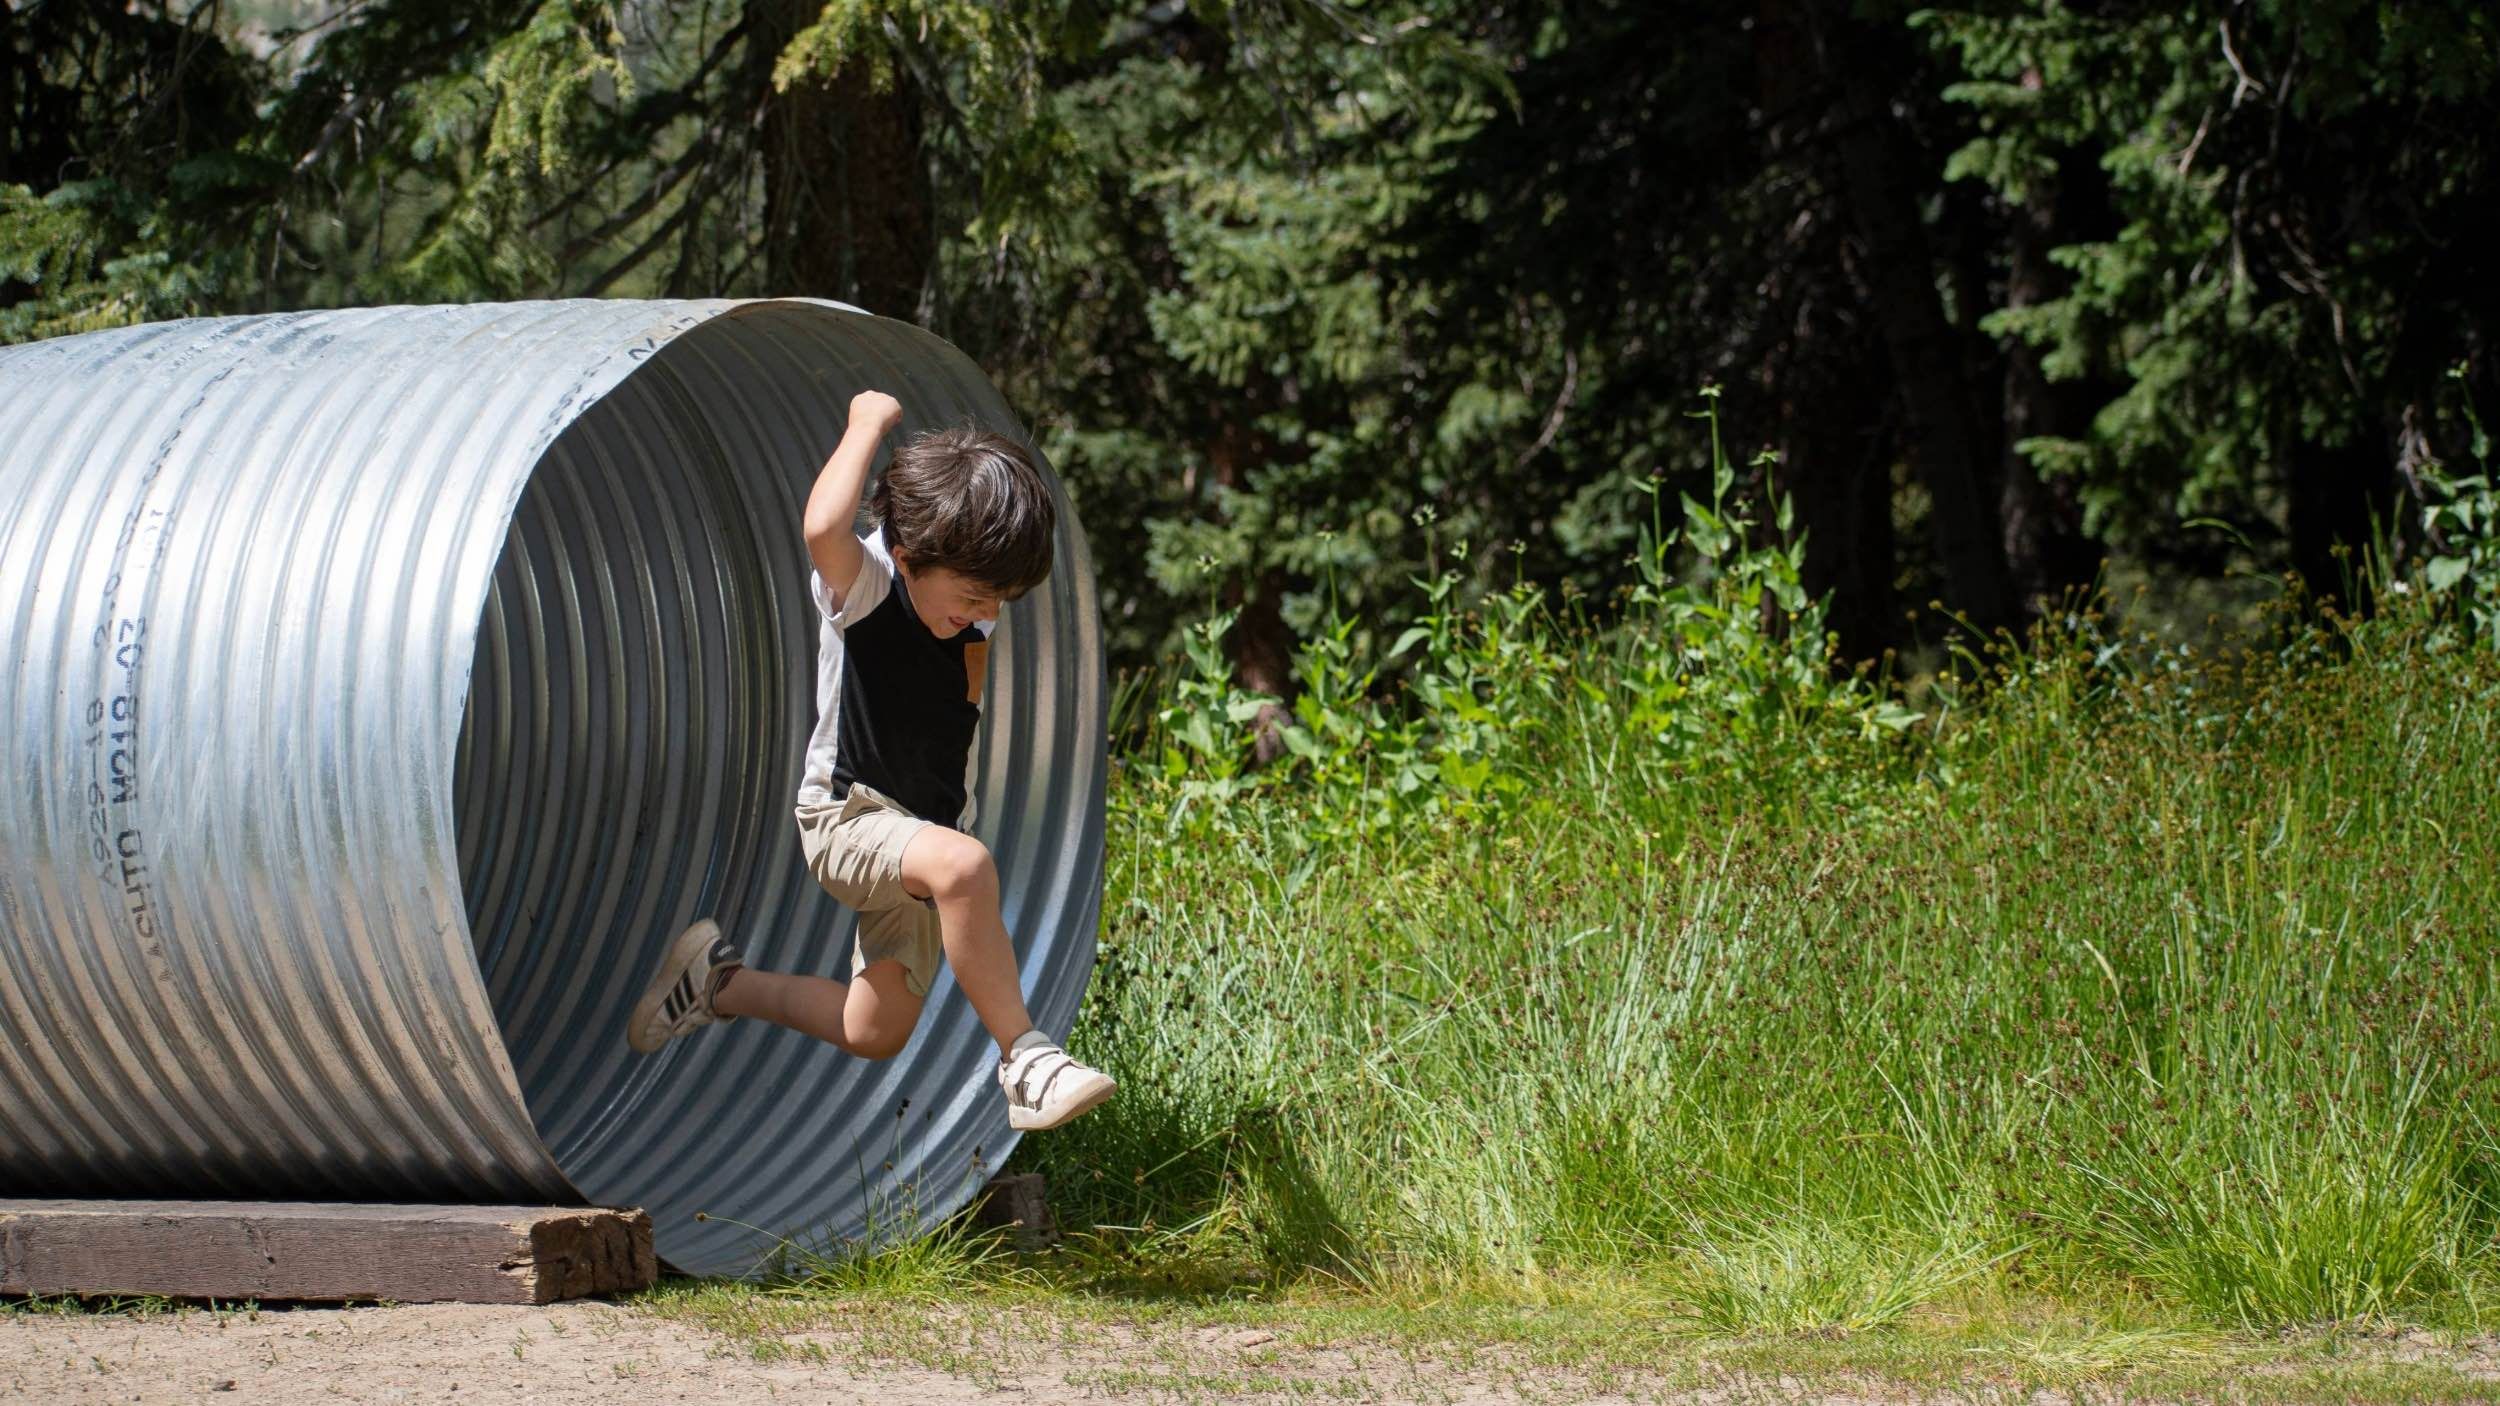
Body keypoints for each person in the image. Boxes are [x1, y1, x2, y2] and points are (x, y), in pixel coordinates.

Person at [626, 389, 1116, 1132]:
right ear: (913, 558)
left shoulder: (968, 605)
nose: (986, 610)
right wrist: (865, 425)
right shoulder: (868, 589)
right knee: (965, 867)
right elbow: (825, 523)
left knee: (873, 1032)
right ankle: (1026, 1058)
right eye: (975, 593)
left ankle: (716, 982)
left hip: (917, 837)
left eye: (1001, 596)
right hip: (847, 819)